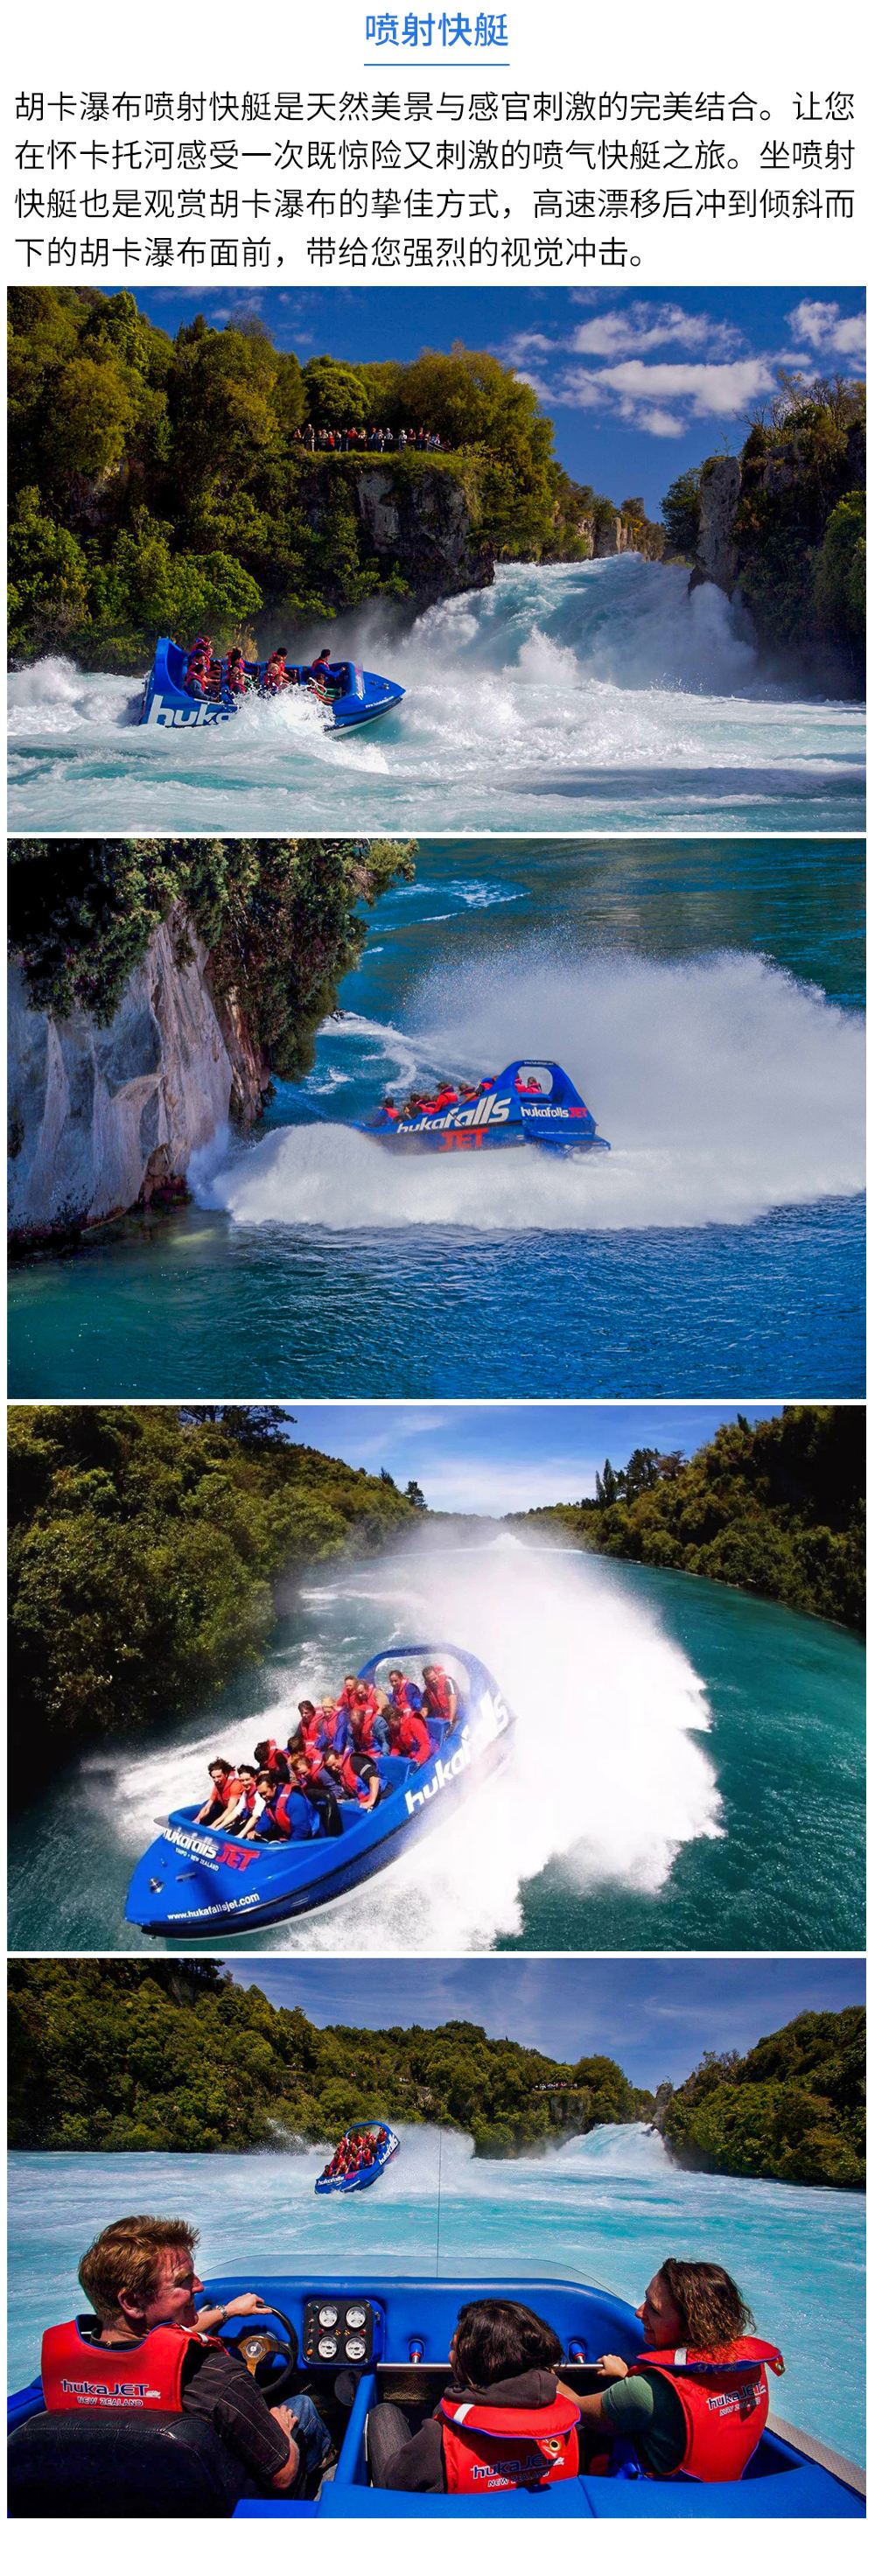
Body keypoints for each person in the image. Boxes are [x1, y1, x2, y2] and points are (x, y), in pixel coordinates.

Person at [40, 2216, 331, 2496]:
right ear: (131, 2301)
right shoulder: (216, 2377)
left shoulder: (66, 2370)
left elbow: (163, 2334)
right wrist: (281, 2428)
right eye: (183, 2281)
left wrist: (227, 2311)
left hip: (121, 2497)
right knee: (301, 2407)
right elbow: (282, 2476)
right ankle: (327, 2469)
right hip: (231, 2505)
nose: (199, 2286)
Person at [571, 2260, 784, 2482]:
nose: (639, 2312)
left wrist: (541, 2374)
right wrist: (626, 2376)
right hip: (722, 2493)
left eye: (654, 2310)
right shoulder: (752, 2370)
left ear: (692, 2326)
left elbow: (574, 2408)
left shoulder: (645, 2392)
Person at [367, 2298, 580, 2494]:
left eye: (454, 2347)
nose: (450, 2355)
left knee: (384, 2414)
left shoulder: (437, 2438)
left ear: (473, 2365)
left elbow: (394, 2484)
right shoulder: (568, 2428)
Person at [287, 1749, 344, 1838]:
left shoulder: (321, 1774)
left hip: (339, 1795)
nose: (302, 1776)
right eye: (300, 1775)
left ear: (309, 1765)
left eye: (304, 1773)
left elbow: (337, 1789)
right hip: (325, 1794)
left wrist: (331, 1801)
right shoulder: (307, 1775)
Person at [386, 1670, 433, 1766]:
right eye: (392, 1682)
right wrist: (392, 1759)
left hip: (425, 1754)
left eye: (396, 1681)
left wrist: (417, 1761)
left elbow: (417, 1706)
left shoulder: (410, 1688)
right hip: (410, 1753)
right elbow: (396, 1746)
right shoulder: (395, 1726)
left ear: (401, 1678)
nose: (394, 1684)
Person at [326, 1743, 382, 1812]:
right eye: (330, 1767)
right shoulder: (341, 1772)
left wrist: (371, 1801)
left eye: (334, 1764)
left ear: (340, 1757)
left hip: (380, 1796)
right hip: (363, 1801)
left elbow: (374, 1778)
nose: (333, 1768)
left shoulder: (354, 1761)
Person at [196, 1760, 244, 1830]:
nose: (216, 1780)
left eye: (219, 1776)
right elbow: (208, 1806)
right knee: (205, 1806)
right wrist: (197, 1819)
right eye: (214, 1777)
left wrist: (214, 1824)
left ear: (226, 1774)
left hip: (237, 1814)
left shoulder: (235, 1785)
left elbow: (230, 1809)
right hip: (224, 1808)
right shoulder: (218, 1784)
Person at [421, 1664, 458, 1728]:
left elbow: (452, 1699)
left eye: (434, 1679)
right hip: (442, 1718)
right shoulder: (427, 1692)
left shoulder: (448, 1682)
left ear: (437, 1674)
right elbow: (425, 1709)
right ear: (426, 1681)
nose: (433, 1682)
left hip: (457, 1715)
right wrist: (419, 1721)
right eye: (430, 1681)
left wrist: (450, 1720)